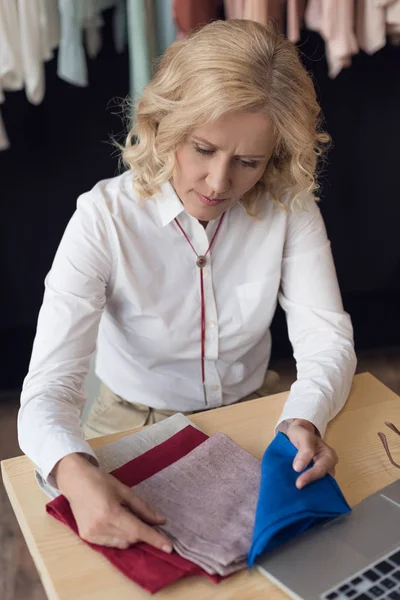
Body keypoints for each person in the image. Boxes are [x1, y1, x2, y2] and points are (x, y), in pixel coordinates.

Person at [18, 19, 356, 554]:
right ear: (164, 124)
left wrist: (303, 414)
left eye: (248, 162)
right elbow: (48, 387)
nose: (220, 183)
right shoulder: (102, 218)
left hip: (253, 407)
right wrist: (71, 470)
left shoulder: (289, 209)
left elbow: (327, 339)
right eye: (202, 149)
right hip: (127, 417)